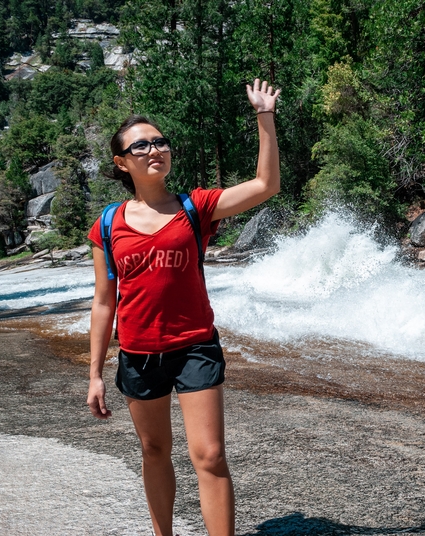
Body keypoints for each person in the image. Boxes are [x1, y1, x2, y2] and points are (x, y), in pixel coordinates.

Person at [86, 79, 281, 536]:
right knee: (154, 451)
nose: (155, 150)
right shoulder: (108, 223)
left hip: (195, 347)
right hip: (137, 354)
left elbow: (265, 185)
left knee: (209, 454)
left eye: (160, 141)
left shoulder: (197, 206)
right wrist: (95, 373)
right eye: (141, 146)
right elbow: (103, 302)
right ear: (121, 163)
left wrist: (264, 117)